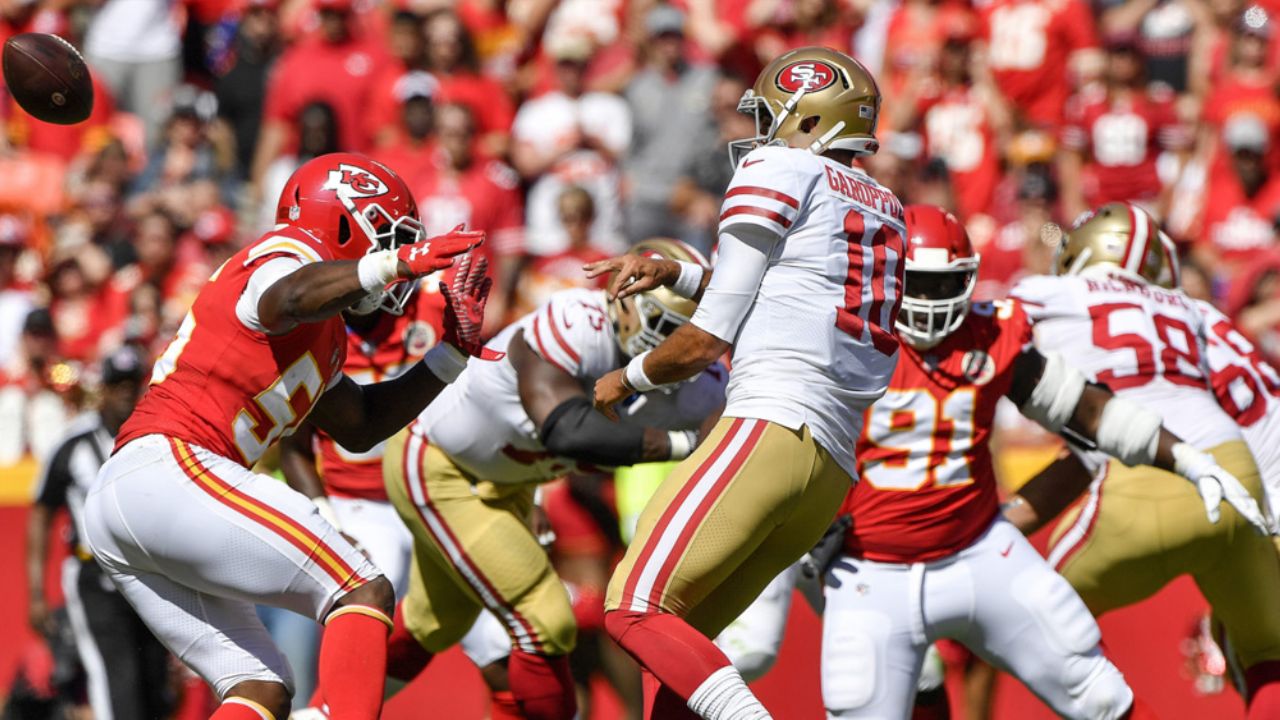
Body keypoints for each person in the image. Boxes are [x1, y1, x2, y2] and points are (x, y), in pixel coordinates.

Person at [81, 152, 493, 720]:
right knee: (361, 588)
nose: (399, 257)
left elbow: (360, 425)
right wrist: (395, 263)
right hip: (173, 464)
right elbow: (287, 297)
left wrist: (451, 355)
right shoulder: (284, 253)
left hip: (142, 491)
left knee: (261, 689)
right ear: (345, 224)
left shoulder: (326, 333)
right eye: (390, 238)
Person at [821, 205, 1262, 719]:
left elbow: (1088, 411)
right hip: (873, 569)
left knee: (1097, 691)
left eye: (945, 285)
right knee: (860, 706)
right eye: (920, 284)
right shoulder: (846, 337)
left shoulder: (991, 332)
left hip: (977, 552)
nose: (931, 302)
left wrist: (1184, 457)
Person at [589, 47, 907, 719]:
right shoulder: (884, 204)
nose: (758, 133)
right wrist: (678, 273)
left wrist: (627, 376)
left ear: (809, 118)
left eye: (771, 116)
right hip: (828, 467)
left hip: (770, 426)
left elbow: (707, 340)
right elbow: (791, 288)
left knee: (632, 607)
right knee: (676, 664)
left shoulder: (781, 167)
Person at [380, 239, 720, 720]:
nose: (678, 354)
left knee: (433, 622)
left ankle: (334, 709)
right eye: (669, 332)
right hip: (441, 464)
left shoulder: (700, 387)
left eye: (694, 341)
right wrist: (685, 443)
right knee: (546, 619)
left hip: (508, 484)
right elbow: (566, 430)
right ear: (627, 305)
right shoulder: (578, 322)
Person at [1000, 202, 1280, 718]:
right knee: (1267, 656)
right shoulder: (1197, 313)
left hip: (1152, 474)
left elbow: (968, 338)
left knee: (1017, 621)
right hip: (1237, 474)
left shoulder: (1053, 294)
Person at [26, 345, 171, 720]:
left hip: (149, 576)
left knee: (156, 686)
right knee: (116, 682)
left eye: (132, 384)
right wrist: (37, 592)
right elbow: (42, 512)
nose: (126, 393)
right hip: (95, 578)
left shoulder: (156, 438)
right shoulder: (73, 444)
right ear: (102, 389)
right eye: (117, 384)